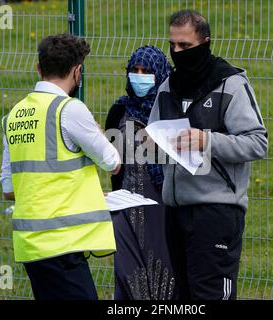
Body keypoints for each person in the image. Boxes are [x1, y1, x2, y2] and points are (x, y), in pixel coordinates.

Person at [148, 10, 268, 300]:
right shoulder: (168, 87)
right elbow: (154, 134)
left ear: (205, 41)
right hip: (175, 210)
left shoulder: (231, 84)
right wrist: (148, 144)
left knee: (210, 295)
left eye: (185, 46)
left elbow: (257, 143)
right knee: (181, 298)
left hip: (216, 212)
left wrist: (207, 140)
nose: (177, 52)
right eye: (172, 45)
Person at [0, 33, 121, 300]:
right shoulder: (69, 110)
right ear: (77, 71)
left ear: (39, 68)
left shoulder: (14, 115)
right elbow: (112, 162)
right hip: (62, 244)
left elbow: (10, 188)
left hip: (31, 246)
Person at [104, 46, 176, 300]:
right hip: (125, 209)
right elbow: (114, 165)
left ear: (160, 75)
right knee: (128, 276)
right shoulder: (119, 112)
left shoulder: (171, 112)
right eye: (134, 70)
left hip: (163, 207)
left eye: (146, 71)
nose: (139, 76)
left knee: (163, 279)